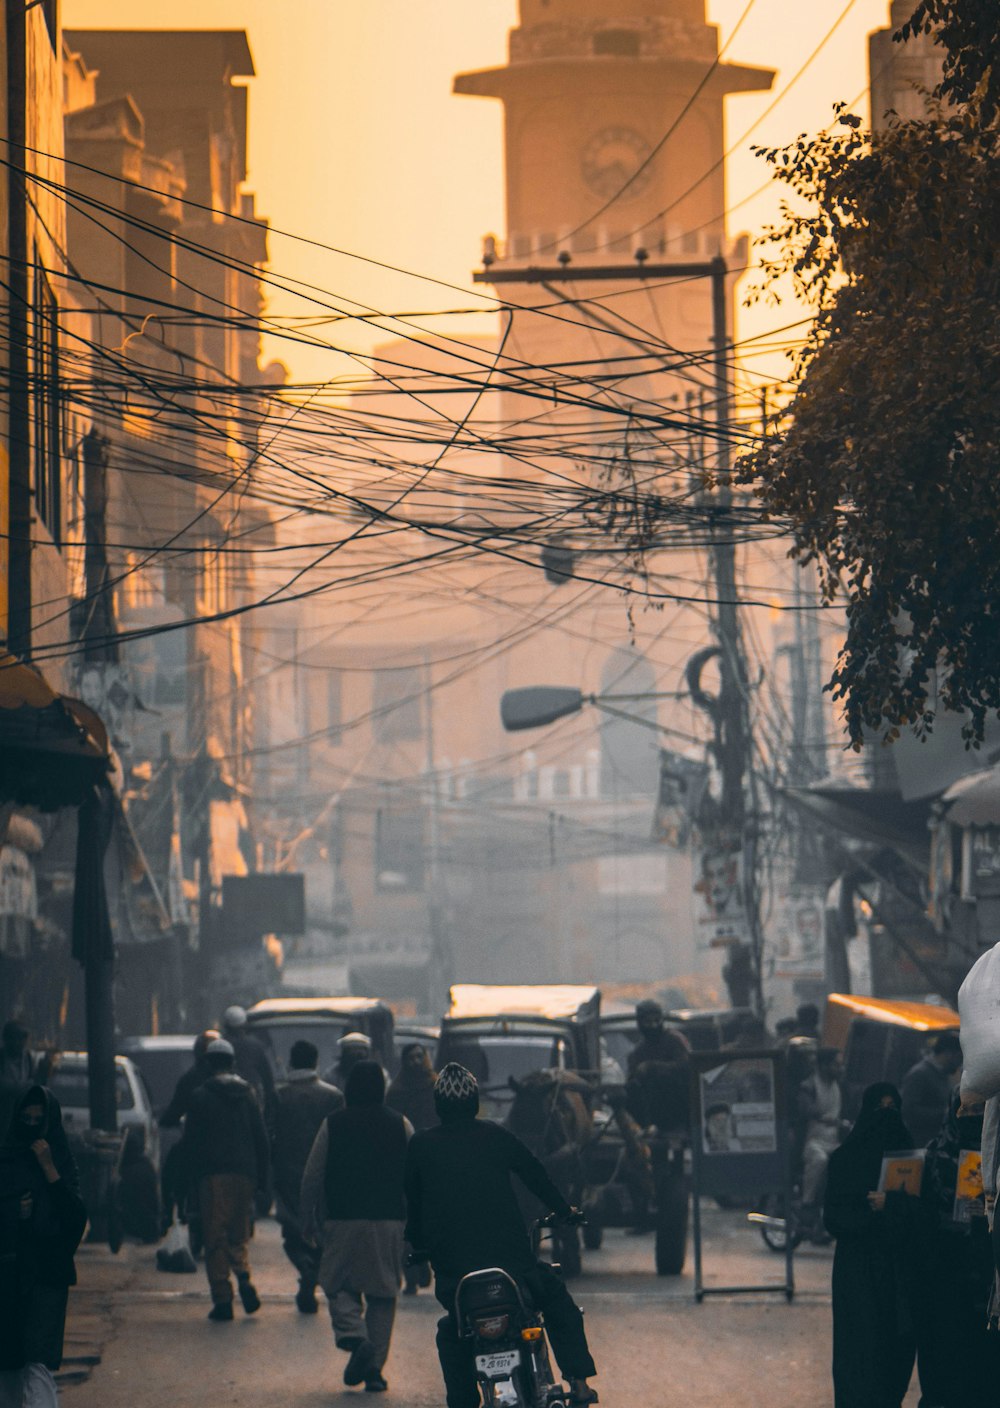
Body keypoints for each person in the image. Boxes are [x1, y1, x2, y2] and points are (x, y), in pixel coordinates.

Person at [404, 1063, 598, 1408]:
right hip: (514, 1269)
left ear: (438, 1106)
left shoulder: (420, 1147)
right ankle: (580, 1385)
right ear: (475, 1103)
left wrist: (417, 1248)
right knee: (557, 1303)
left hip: (456, 1277)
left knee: (452, 1334)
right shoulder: (496, 1136)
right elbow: (536, 1175)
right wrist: (565, 1211)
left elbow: (414, 1205)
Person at [300, 1061, 410, 1394]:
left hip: (343, 1219)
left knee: (336, 1283)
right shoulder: (400, 1125)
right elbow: (415, 1178)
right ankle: (374, 1369)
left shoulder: (333, 1124)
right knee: (382, 1293)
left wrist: (308, 1218)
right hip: (389, 1222)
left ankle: (354, 1336)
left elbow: (312, 1177)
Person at [824, 1083, 921, 1408]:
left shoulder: (911, 1157)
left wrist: (892, 1205)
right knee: (859, 1353)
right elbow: (834, 1218)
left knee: (894, 1352)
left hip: (896, 1273)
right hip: (858, 1274)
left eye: (893, 1107)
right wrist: (870, 1213)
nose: (887, 1115)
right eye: (881, 1107)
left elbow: (921, 1213)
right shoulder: (844, 1160)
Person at [0, 1086, 87, 1408]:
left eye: (39, 1119)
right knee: (8, 1362)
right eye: (26, 1119)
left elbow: (74, 1218)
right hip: (9, 1271)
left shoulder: (60, 1157)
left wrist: (50, 1169)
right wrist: (16, 1213)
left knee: (38, 1360)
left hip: (47, 1271)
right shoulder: (6, 1157)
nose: (32, 1125)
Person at [914, 1090, 1000, 1406]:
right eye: (966, 1109)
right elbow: (919, 1215)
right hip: (944, 1277)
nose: (972, 1117)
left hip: (984, 1280)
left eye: (980, 1111)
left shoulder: (993, 1159)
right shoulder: (934, 1155)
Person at [179, 1038, 270, 1321]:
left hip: (212, 1176)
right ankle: (243, 1274)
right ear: (232, 1063)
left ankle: (222, 1298)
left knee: (215, 1235)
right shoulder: (249, 1094)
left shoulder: (199, 1096)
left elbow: (190, 1143)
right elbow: (261, 1138)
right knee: (238, 1232)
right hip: (244, 1174)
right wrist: (263, 1179)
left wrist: (187, 1183)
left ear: (208, 1064)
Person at [271, 1039, 344, 1314]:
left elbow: (270, 1135)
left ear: (291, 1061)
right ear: (315, 1063)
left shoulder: (279, 1094)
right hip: (324, 1175)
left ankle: (305, 1269)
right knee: (320, 1230)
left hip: (286, 1174)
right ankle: (311, 1272)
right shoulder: (333, 1096)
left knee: (292, 1232)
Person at [387, 1043, 438, 1296]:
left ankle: (424, 1259)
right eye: (411, 1058)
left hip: (434, 1161)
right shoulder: (396, 1092)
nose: (417, 1062)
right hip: (404, 1162)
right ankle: (411, 1273)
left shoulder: (436, 1087)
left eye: (421, 1056)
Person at [798, 1048, 845, 1221]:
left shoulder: (838, 1086)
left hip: (833, 1140)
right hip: (812, 1141)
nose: (839, 1068)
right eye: (835, 1065)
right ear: (823, 1066)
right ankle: (807, 1202)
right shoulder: (809, 1085)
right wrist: (820, 1116)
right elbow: (806, 1107)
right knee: (819, 1160)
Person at [900, 1032, 962, 1149]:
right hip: (917, 1146)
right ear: (949, 1054)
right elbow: (907, 1110)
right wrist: (944, 1114)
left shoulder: (943, 1075)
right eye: (959, 1058)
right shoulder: (919, 1074)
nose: (959, 1064)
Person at [221, 1006, 276, 1123]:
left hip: (223, 1098)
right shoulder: (255, 1046)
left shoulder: (219, 1046)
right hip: (252, 1097)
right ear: (244, 1025)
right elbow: (267, 1078)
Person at [0, 1023, 37, 1142]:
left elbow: (32, 1083)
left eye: (22, 1039)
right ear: (6, 1039)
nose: (19, 1043)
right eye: (15, 1038)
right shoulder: (1, 1057)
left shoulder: (27, 1057)